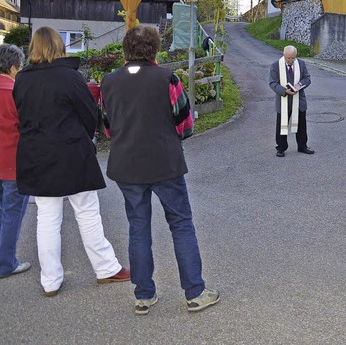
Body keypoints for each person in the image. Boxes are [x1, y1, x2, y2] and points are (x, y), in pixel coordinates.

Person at [100, 25, 219, 315]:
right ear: (155, 49)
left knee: (138, 227)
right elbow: (185, 123)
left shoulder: (109, 82)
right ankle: (195, 292)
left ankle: (143, 295)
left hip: (126, 165)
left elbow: (106, 127)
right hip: (165, 163)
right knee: (181, 224)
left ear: (125, 49)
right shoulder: (168, 78)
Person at [13, 26, 129, 297]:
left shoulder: (22, 80)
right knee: (87, 212)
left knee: (47, 217)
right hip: (71, 153)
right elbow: (90, 115)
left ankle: (50, 281)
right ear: (58, 46)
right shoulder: (70, 77)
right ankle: (106, 268)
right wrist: (83, 137)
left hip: (36, 154)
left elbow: (22, 115)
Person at [0, 44, 30, 279]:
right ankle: (5, 263)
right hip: (13, 161)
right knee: (12, 213)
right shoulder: (17, 91)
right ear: (11, 68)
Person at [269, 45, 314, 158]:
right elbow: (273, 83)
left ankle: (302, 146)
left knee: (302, 125)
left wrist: (299, 86)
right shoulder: (275, 66)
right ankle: (281, 148)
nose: (290, 60)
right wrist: (285, 91)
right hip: (283, 100)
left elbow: (307, 79)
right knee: (281, 125)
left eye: (293, 58)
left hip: (299, 100)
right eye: (288, 58)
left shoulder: (301, 64)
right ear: (283, 55)